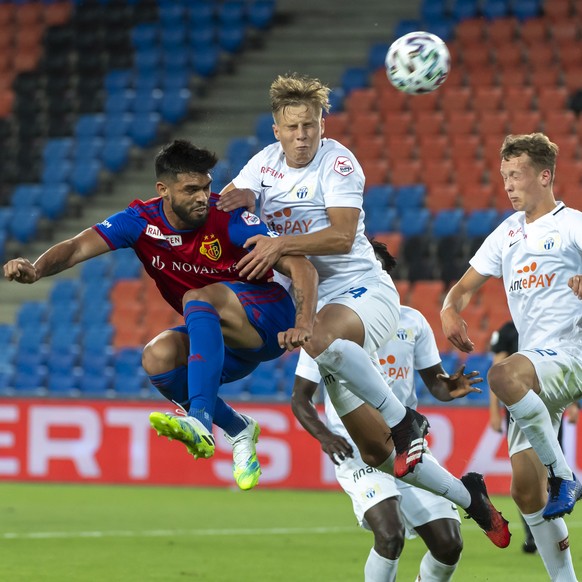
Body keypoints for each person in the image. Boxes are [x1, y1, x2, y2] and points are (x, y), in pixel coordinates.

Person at [217, 73, 510, 548]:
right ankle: (470, 496)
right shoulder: (263, 164)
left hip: (362, 291)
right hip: (316, 303)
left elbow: (339, 236)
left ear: (321, 124)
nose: (301, 136)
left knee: (317, 337)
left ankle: (406, 421)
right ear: (276, 129)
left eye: (310, 125)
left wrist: (278, 243)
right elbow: (228, 204)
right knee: (377, 453)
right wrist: (220, 209)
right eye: (292, 127)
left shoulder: (338, 163)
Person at [3, 139, 319, 491]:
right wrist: (36, 269)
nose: (203, 196)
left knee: (198, 297)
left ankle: (198, 420)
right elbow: (78, 246)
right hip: (223, 340)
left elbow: (301, 266)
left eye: (207, 187)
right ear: (162, 190)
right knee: (157, 357)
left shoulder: (229, 219)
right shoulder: (140, 221)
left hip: (268, 318)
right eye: (191, 190)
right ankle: (237, 429)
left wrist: (304, 323)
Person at [292, 241, 485, 582]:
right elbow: (300, 399)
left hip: (407, 446)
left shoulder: (413, 321)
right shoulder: (325, 329)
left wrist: (450, 388)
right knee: (390, 534)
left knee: (449, 544)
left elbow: (436, 384)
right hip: (361, 452)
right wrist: (325, 435)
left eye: (376, 268)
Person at [442, 133, 582, 580]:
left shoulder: (573, 225)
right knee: (526, 494)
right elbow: (464, 288)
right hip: (536, 370)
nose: (508, 185)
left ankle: (565, 474)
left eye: (516, 175)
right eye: (504, 176)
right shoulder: (507, 233)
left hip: (571, 352)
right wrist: (448, 309)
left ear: (544, 176)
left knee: (502, 375)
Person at [490, 320, 581, 554]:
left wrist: (570, 402)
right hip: (520, 405)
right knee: (525, 478)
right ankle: (533, 535)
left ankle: (561, 481)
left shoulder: (552, 322)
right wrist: (493, 409)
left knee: (546, 467)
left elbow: (554, 367)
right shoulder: (509, 329)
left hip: (549, 397)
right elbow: (498, 364)